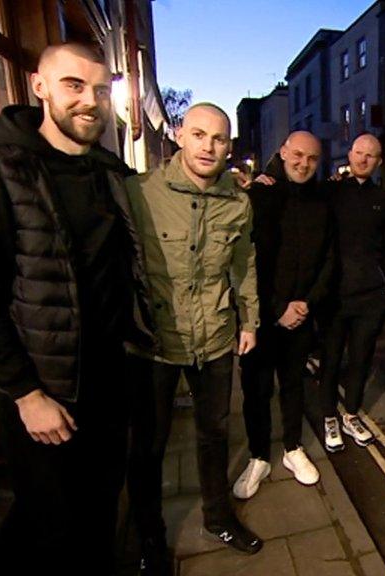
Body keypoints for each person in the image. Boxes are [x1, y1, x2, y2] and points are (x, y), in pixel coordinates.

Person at [0, 42, 151, 575]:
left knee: (103, 513)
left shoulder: (108, 170)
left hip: (109, 381)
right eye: (73, 85)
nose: (90, 101)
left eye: (100, 90)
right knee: (57, 534)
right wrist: (26, 394)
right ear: (39, 87)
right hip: (46, 393)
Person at [125, 103, 262, 570]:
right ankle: (149, 541)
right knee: (149, 447)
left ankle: (218, 517)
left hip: (216, 340)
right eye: (199, 134)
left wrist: (249, 321)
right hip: (155, 345)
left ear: (229, 147)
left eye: (219, 139)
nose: (209, 146)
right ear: (180, 136)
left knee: (215, 435)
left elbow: (243, 267)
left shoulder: (238, 202)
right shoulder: (139, 193)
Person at [233, 131, 335, 498]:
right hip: (261, 317)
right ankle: (259, 455)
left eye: (311, 158)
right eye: (298, 155)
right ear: (283, 152)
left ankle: (292, 448)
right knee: (256, 391)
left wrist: (307, 302)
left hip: (301, 315)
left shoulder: (323, 201)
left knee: (293, 387)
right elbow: (246, 262)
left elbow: (329, 257)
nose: (304, 163)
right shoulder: (258, 196)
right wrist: (278, 309)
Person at [318, 133, 385, 452]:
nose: (363, 159)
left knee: (362, 359)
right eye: (359, 153)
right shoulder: (329, 191)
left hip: (370, 296)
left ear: (378, 162)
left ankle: (350, 413)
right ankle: (328, 418)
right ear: (349, 155)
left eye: (371, 155)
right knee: (331, 359)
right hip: (334, 295)